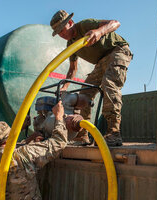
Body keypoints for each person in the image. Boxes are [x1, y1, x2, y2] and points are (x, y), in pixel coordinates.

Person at [50, 10, 133, 146]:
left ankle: (113, 132)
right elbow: (72, 69)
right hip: (101, 61)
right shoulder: (71, 44)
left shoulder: (85, 25)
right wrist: (64, 88)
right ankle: (82, 135)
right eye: (58, 33)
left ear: (70, 22)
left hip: (117, 51)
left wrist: (99, 31)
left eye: (62, 29)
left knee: (109, 84)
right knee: (84, 94)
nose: (61, 34)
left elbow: (115, 23)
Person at [0, 101, 83, 199]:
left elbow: (10, 149)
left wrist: (29, 139)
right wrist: (59, 117)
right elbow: (58, 143)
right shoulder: (23, 155)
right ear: (8, 138)